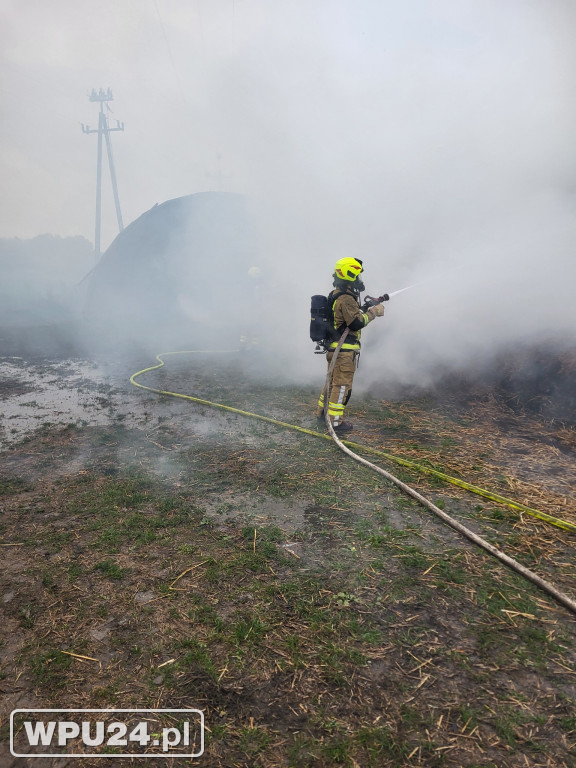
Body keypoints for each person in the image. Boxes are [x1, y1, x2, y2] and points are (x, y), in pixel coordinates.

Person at [316, 257, 384, 433]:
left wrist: (364, 307)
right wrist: (374, 312)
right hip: (344, 352)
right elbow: (355, 323)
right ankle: (335, 423)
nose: (359, 281)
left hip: (334, 349)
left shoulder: (336, 294)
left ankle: (321, 414)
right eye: (356, 277)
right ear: (349, 276)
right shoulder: (346, 298)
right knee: (341, 386)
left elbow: (344, 318)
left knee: (331, 382)